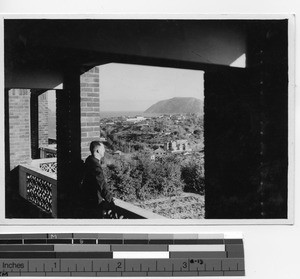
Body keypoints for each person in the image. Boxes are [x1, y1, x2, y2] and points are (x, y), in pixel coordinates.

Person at [81, 141, 116, 218]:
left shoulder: (89, 160)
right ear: (98, 151)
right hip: (94, 203)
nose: (104, 151)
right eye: (103, 149)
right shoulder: (96, 167)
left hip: (85, 200)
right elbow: (102, 185)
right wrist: (110, 200)